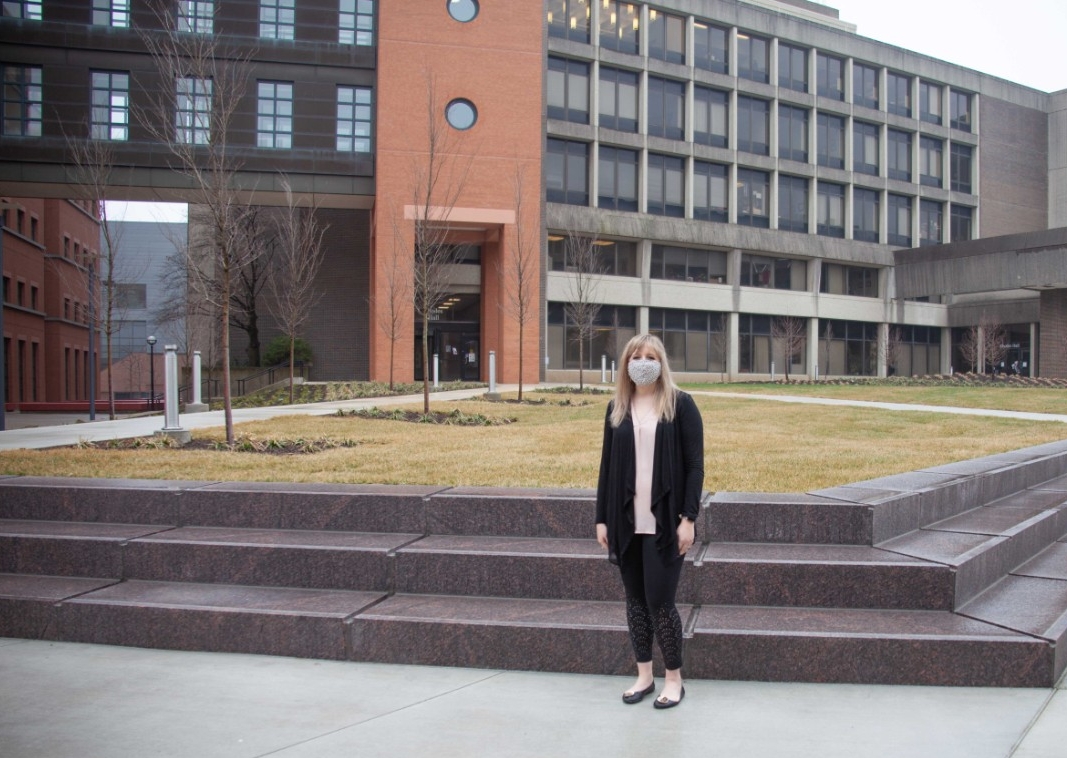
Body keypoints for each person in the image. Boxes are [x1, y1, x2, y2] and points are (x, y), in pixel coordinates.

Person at [595, 334, 704, 709]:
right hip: (626, 523)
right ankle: (644, 675)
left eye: (651, 356)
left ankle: (674, 679)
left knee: (660, 600)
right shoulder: (617, 407)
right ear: (626, 363)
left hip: (665, 524)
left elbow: (694, 466)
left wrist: (688, 518)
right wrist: (601, 519)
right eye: (636, 356)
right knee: (635, 602)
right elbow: (607, 468)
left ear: (662, 362)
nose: (643, 362)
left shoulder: (681, 405)